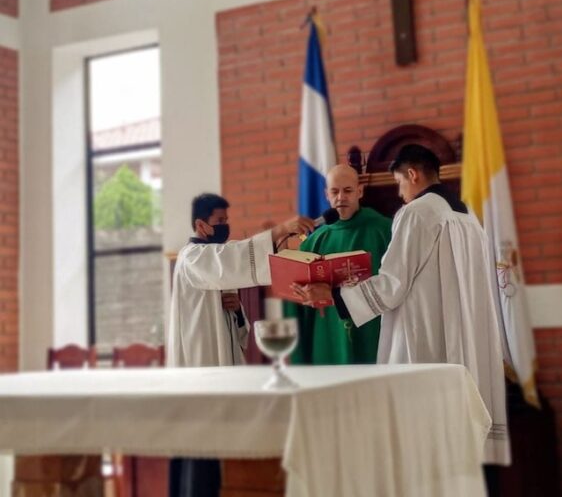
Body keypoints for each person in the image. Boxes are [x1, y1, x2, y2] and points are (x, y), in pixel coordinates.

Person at [293, 145, 510, 466]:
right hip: (466, 335)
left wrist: (334, 294)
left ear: (412, 174)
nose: (400, 193)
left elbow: (392, 284)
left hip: (429, 340)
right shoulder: (468, 216)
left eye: (398, 183)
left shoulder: (416, 213)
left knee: (424, 446)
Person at [167, 193, 313, 497]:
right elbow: (230, 259)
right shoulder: (192, 256)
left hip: (220, 362)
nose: (226, 226)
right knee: (201, 450)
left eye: (227, 220)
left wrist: (236, 311)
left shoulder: (211, 257)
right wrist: (278, 230)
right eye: (219, 221)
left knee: (220, 448)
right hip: (200, 368)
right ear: (201, 225)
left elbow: (234, 323)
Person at [287, 164, 392, 364]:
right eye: (335, 192)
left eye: (348, 190)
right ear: (326, 195)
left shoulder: (385, 231)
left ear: (360, 191)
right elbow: (297, 301)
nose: (341, 197)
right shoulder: (313, 241)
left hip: (372, 329)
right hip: (327, 331)